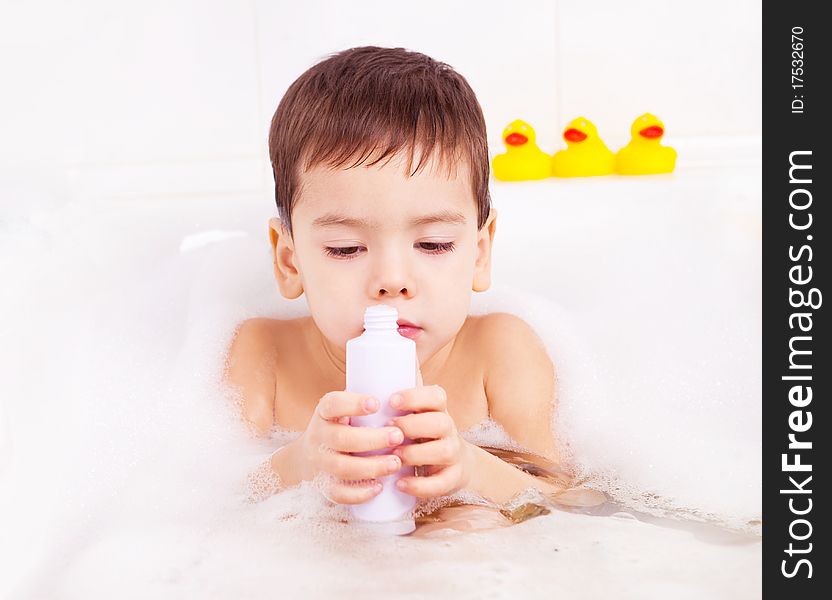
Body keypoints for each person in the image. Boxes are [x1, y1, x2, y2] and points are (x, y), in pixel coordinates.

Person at [225, 46, 562, 509]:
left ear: (479, 253)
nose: (392, 281)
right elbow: (213, 499)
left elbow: (570, 499)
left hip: (468, 569)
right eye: (346, 249)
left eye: (434, 244)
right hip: (318, 570)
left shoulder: (499, 353)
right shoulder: (264, 358)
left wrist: (471, 467)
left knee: (468, 523)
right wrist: (300, 464)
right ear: (290, 261)